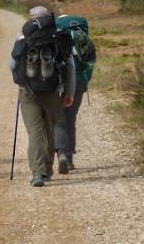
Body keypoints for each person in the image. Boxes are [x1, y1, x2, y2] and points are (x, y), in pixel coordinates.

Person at [8, 6, 76, 187]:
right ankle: (48, 169)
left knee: (35, 132)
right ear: (48, 17)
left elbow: (11, 64)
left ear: (31, 18)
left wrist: (21, 80)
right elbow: (70, 66)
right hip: (54, 91)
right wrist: (69, 92)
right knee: (49, 129)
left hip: (28, 92)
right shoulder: (59, 34)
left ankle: (38, 173)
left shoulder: (23, 35)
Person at [54, 14, 96, 174]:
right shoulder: (84, 39)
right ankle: (70, 158)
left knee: (59, 120)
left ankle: (61, 153)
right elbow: (91, 64)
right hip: (79, 85)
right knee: (71, 119)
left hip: (60, 84)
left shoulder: (58, 38)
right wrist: (84, 81)